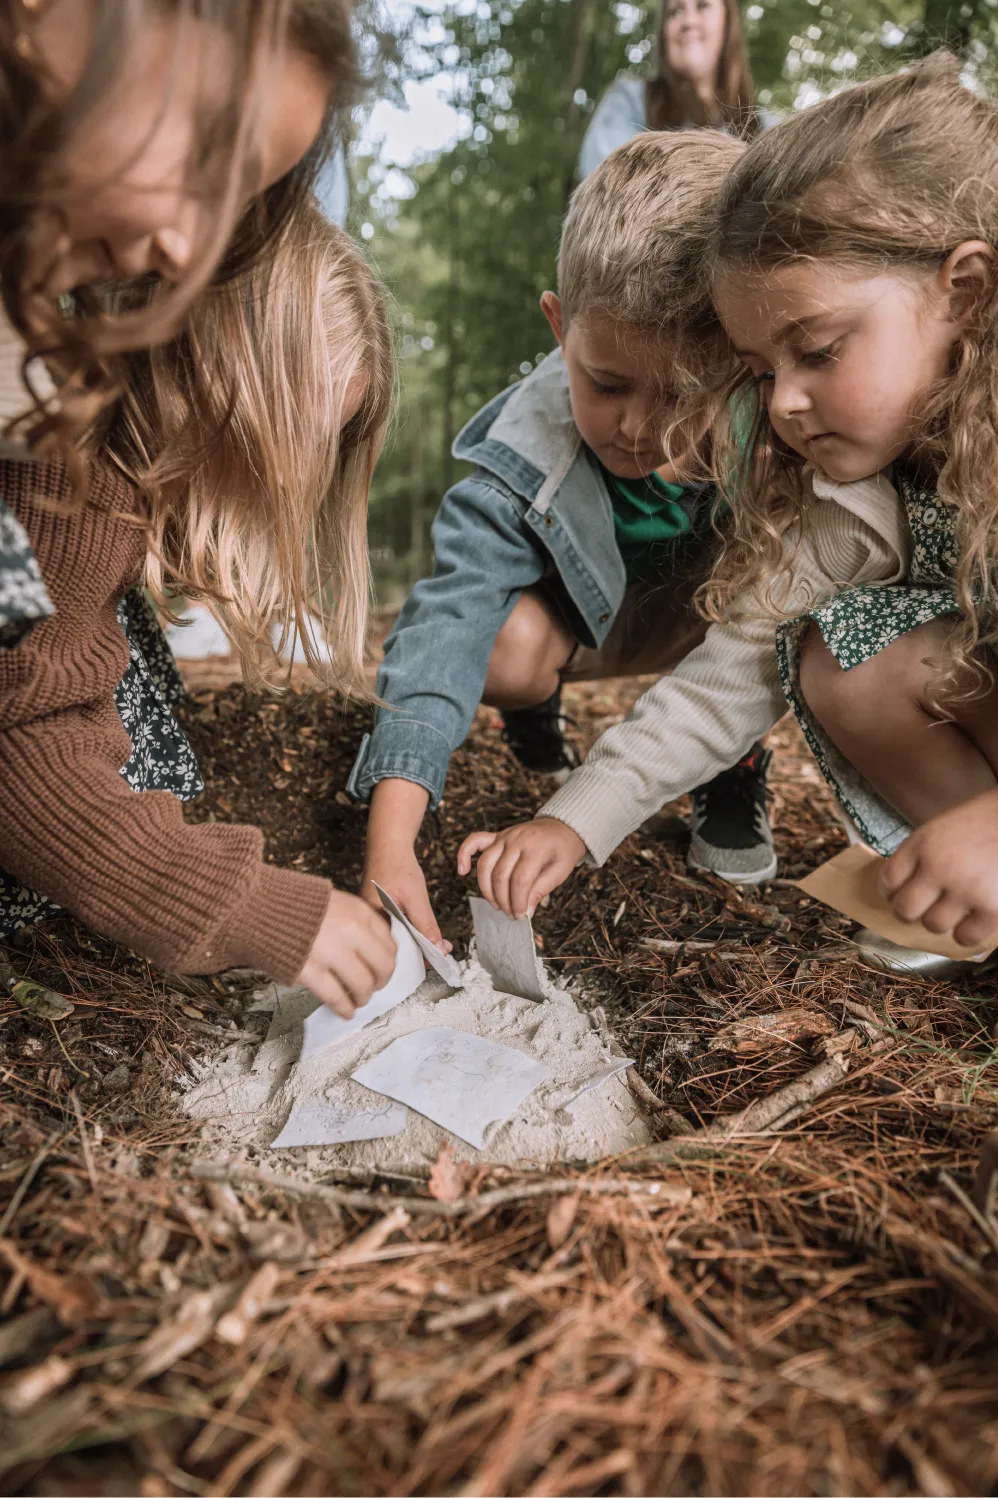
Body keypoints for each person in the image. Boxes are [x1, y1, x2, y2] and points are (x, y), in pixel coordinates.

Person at [460, 55, 998, 973]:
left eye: (818, 351)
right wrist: (571, 822)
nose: (784, 403)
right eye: (760, 371)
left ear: (966, 290)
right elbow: (727, 676)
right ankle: (974, 900)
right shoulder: (852, 486)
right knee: (844, 659)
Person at [0, 1, 398, 1017]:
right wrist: (232, 902)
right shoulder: (67, 463)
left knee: (136, 716)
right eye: (264, 457)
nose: (179, 244)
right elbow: (22, 726)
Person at [353, 130, 778, 952]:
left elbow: (783, 615)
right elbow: (443, 631)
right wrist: (390, 843)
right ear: (559, 328)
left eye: (685, 393)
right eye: (607, 384)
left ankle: (731, 766)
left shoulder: (781, 429)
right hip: (594, 620)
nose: (640, 428)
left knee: (766, 594)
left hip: (722, 627)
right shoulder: (522, 457)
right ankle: (534, 718)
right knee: (503, 646)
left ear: (742, 357)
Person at [578, 0, 770, 181]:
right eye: (675, 11)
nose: (689, 21)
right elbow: (605, 187)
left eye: (702, 5)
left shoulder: (767, 129)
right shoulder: (629, 101)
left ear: (728, 21)